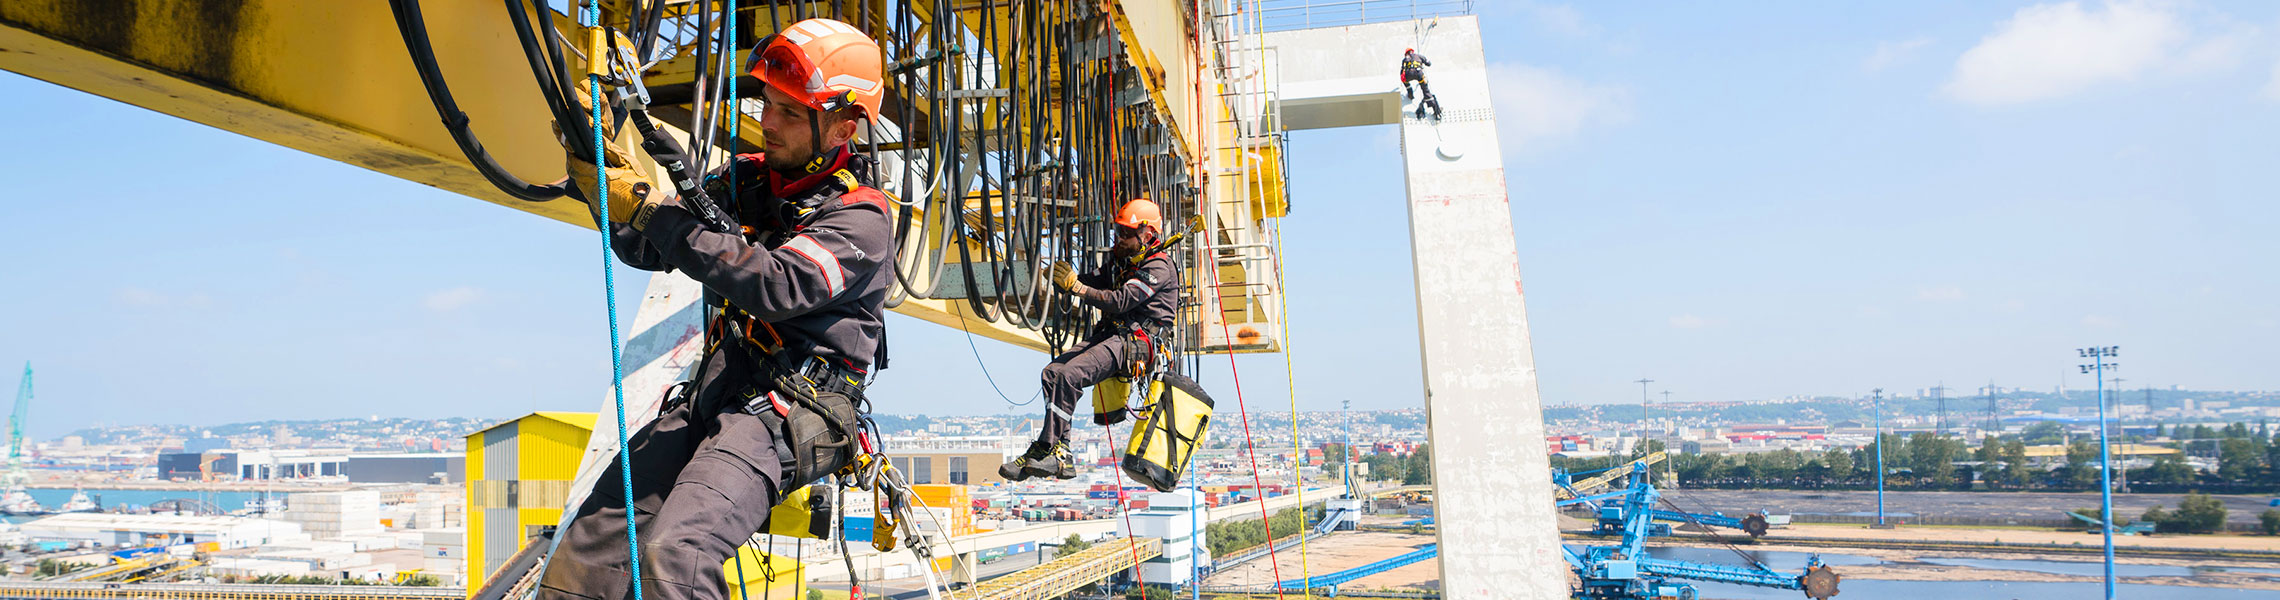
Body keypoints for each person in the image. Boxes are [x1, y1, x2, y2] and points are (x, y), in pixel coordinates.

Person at [543, 18, 894, 600]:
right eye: (767, 104)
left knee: (678, 552)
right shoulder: (744, 181)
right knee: (595, 536)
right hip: (719, 393)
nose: (767, 122)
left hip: (791, 410)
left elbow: (775, 286)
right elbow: (644, 245)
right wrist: (598, 167)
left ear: (842, 124)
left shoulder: (862, 218)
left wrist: (654, 212)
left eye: (788, 111)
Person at [999, 199, 1181, 481]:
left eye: (1125, 233)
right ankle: (1059, 452)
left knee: (1070, 375)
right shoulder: (1122, 262)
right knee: (1053, 373)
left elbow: (1120, 301)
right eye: (1118, 231)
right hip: (1116, 335)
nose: (1118, 238)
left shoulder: (1158, 268)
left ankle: (1049, 448)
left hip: (1137, 343)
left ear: (1147, 234)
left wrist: (1078, 287)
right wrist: (1064, 280)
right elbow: (1095, 279)